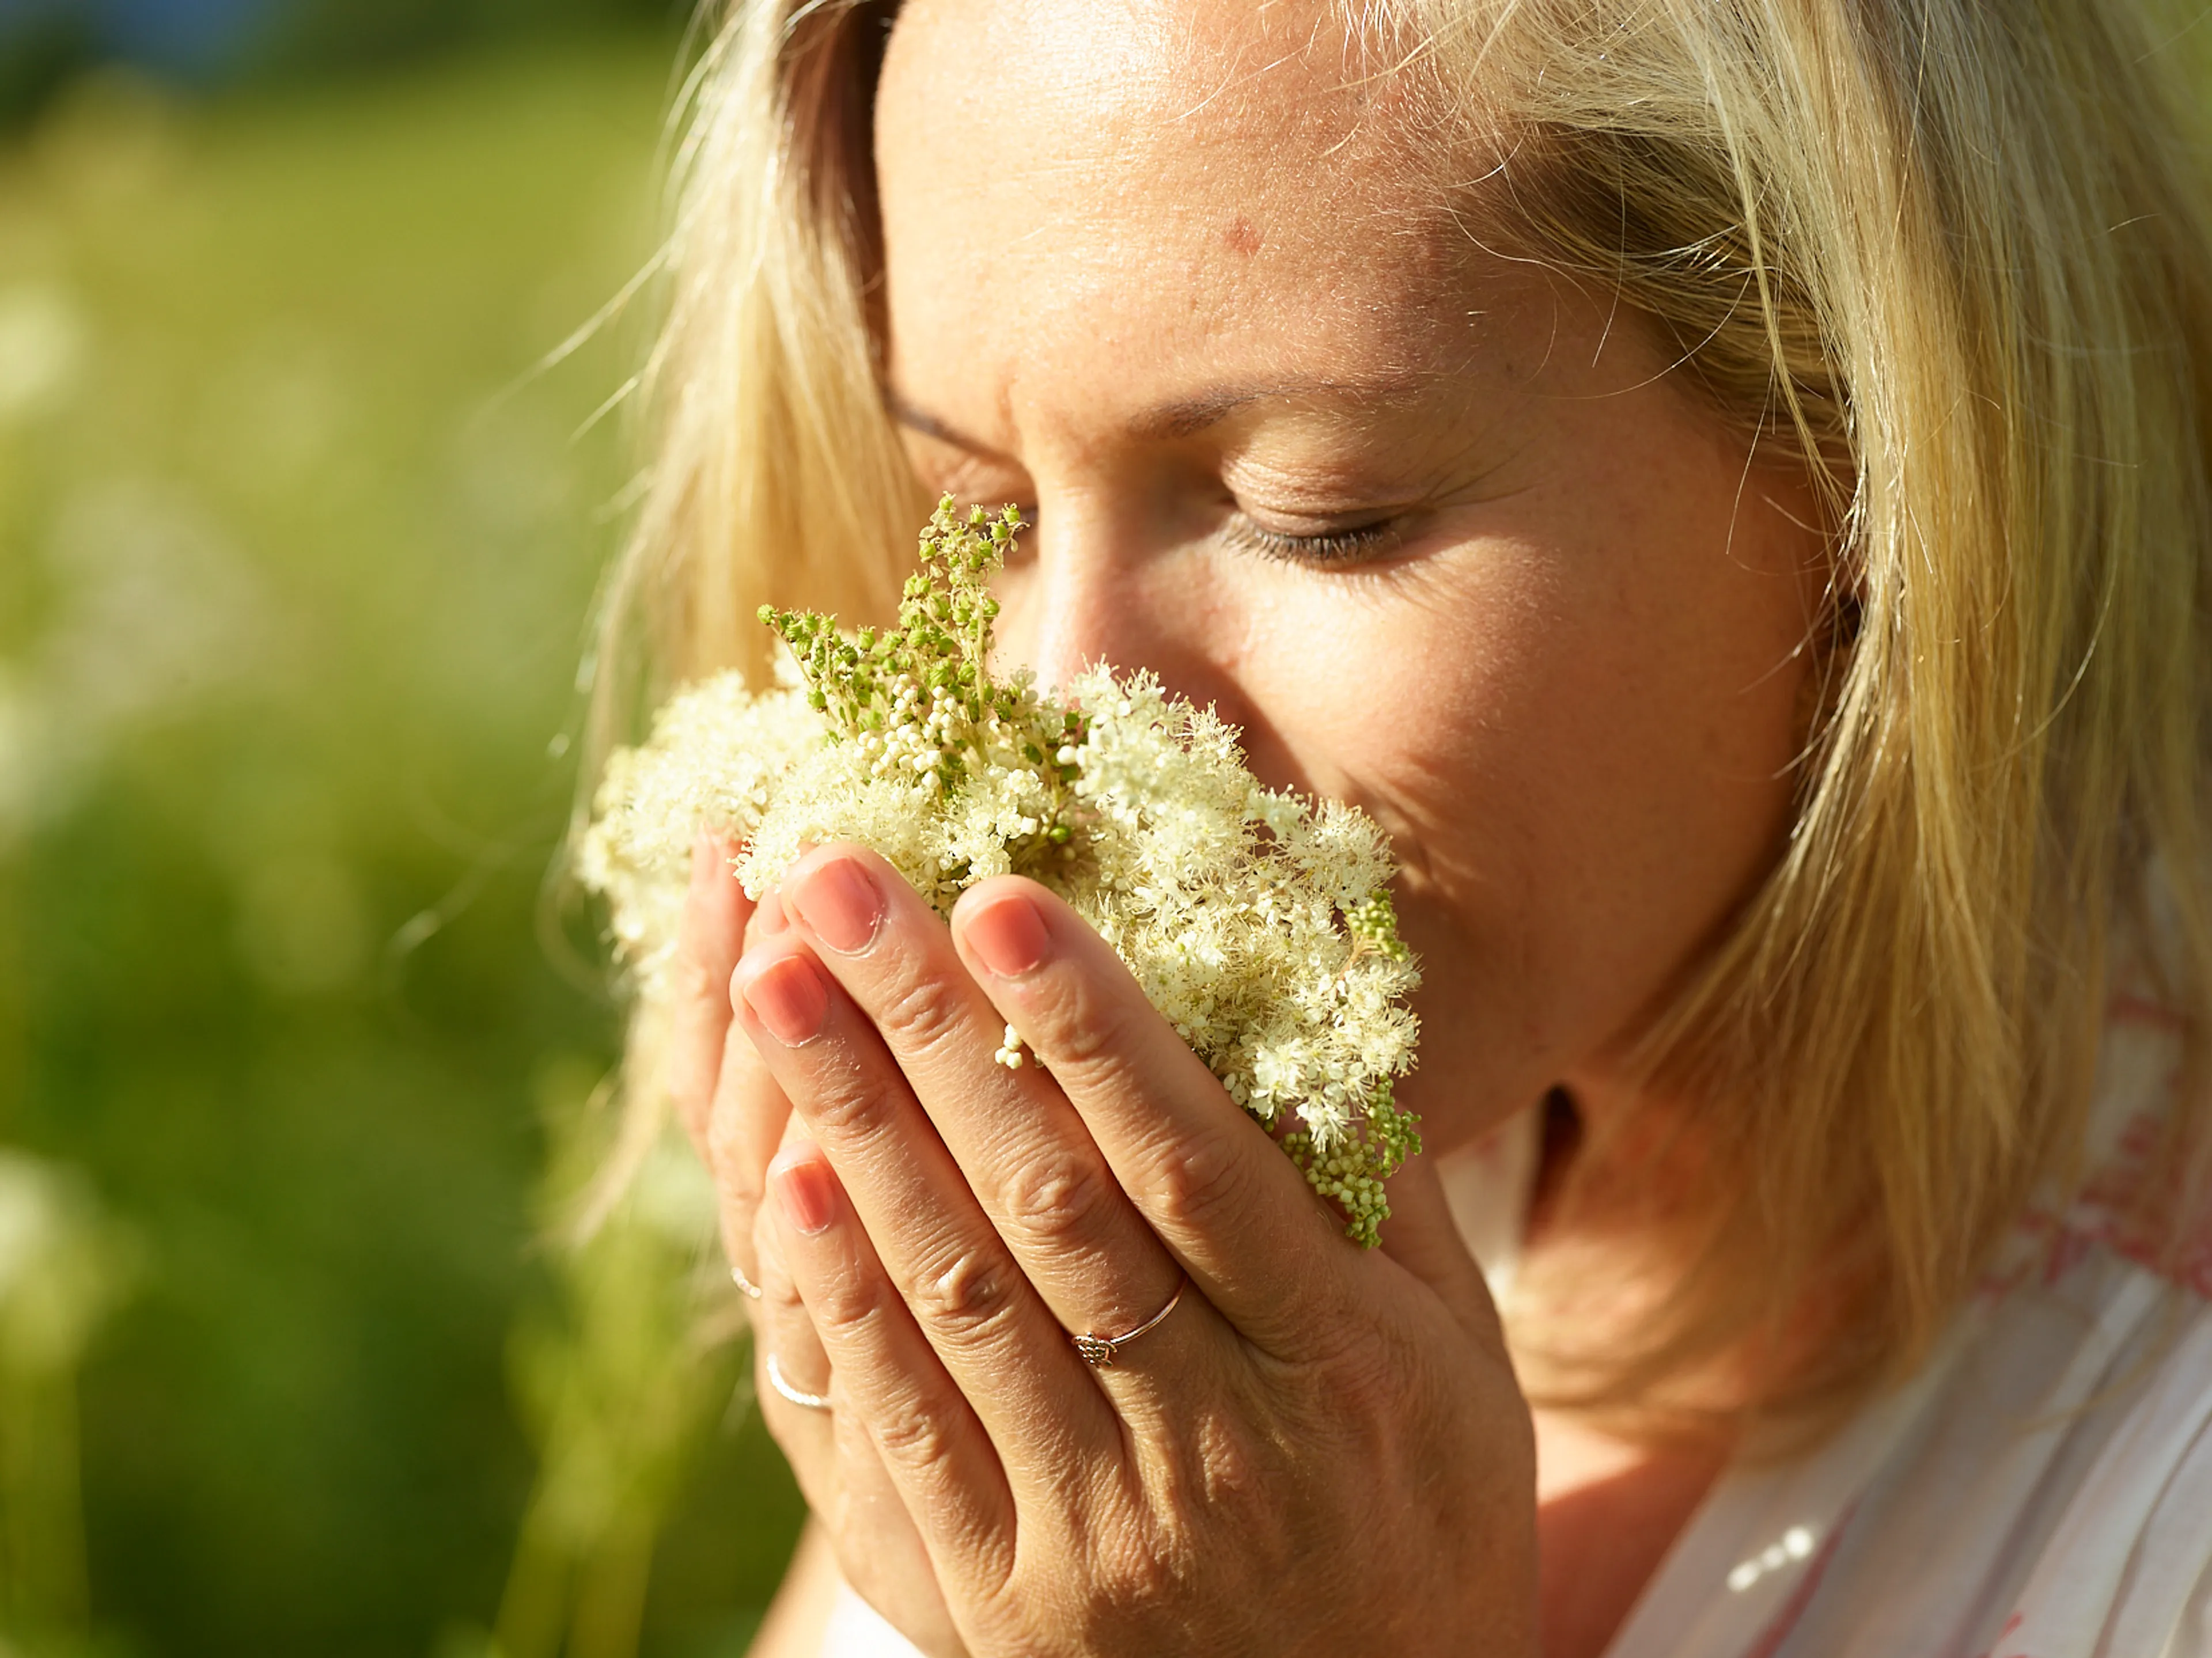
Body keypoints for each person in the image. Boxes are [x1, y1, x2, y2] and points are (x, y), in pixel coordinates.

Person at [589, 0, 2212, 1652]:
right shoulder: (1140, 1282)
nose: (1061, 725)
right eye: (976, 518)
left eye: (1320, 517)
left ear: (1872, 441)